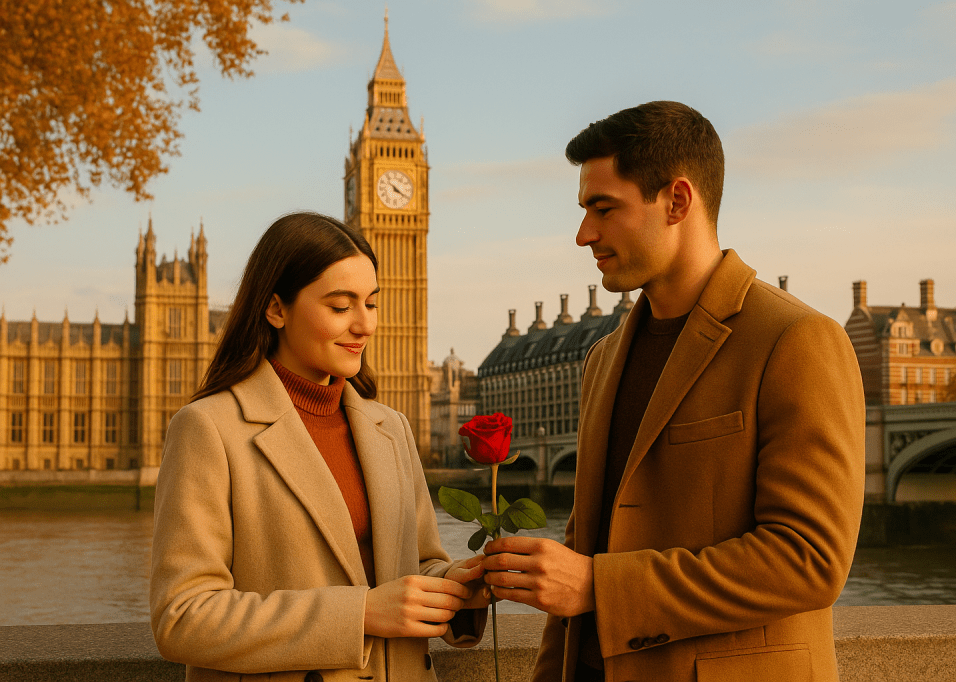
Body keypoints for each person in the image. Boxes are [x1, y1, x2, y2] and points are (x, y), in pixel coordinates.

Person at [481, 101, 866, 682]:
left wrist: (599, 587)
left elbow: (809, 560)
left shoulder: (795, 339)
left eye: (604, 208)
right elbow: (582, 552)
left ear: (677, 202)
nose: (584, 235)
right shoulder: (602, 360)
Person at [150, 212, 489, 682]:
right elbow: (183, 618)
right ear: (276, 309)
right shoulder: (209, 429)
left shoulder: (391, 428)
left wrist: (459, 583)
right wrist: (361, 613)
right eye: (341, 306)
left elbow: (419, 565)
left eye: (371, 303)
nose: (365, 324)